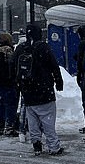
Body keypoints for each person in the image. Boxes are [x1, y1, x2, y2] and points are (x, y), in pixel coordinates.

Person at [13, 24, 64, 156]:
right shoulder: (43, 47)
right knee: (48, 119)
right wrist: (58, 81)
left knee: (33, 119)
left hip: (28, 90)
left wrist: (19, 84)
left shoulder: (21, 48)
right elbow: (54, 66)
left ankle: (36, 144)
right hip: (44, 89)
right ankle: (53, 146)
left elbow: (14, 67)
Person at [0, 32, 17, 136]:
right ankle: (9, 126)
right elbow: (12, 65)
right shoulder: (8, 49)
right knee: (10, 104)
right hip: (8, 81)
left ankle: (1, 125)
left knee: (1, 104)